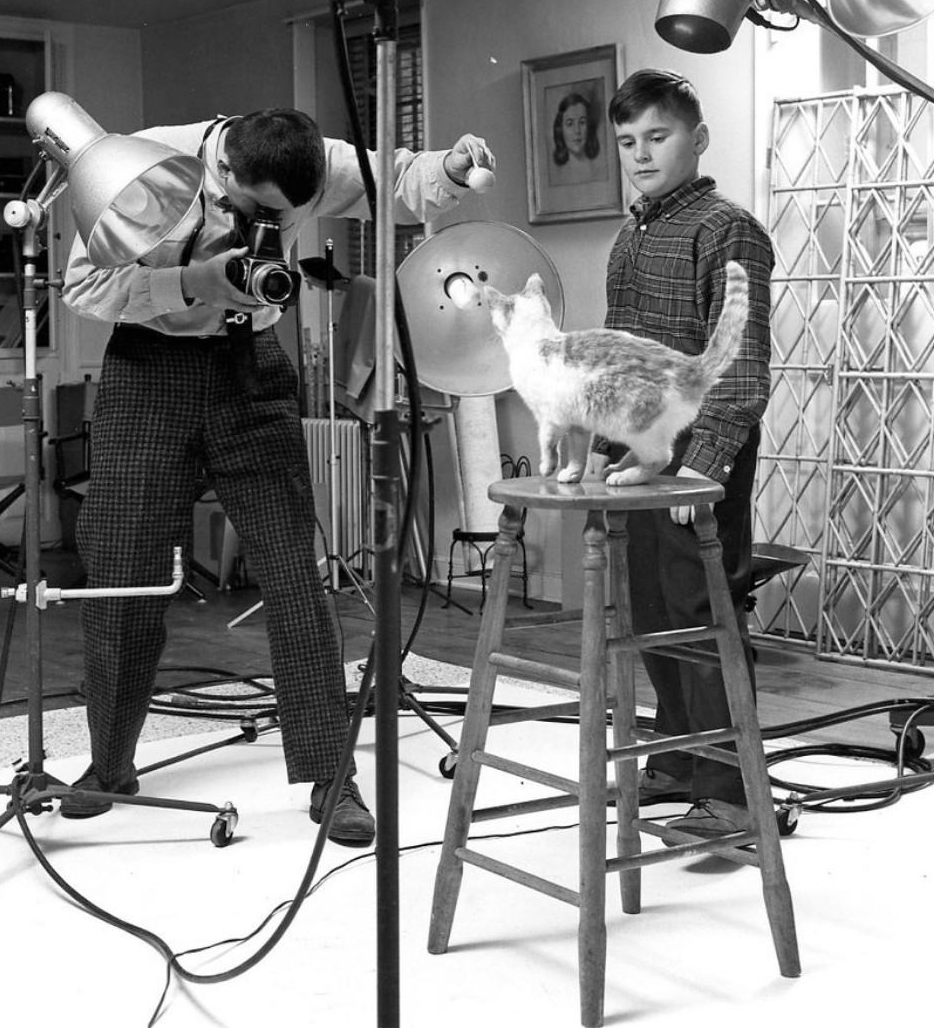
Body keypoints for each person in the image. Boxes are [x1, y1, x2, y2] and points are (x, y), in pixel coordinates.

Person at [60, 106, 494, 846]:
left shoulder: (314, 163)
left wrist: (447, 170)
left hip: (252, 370)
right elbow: (84, 287)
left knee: (295, 570)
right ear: (222, 170)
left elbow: (393, 177)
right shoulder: (142, 165)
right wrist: (190, 283)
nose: (268, 229)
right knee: (122, 569)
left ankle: (332, 774)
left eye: (284, 219)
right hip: (147, 365)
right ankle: (109, 762)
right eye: (255, 212)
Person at [589, 69, 773, 837]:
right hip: (637, 453)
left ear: (697, 139)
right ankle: (675, 753)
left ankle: (730, 793)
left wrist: (706, 465)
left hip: (697, 455)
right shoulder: (630, 235)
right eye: (627, 141)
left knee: (701, 609)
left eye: (656, 137)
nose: (640, 153)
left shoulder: (726, 229)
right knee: (651, 606)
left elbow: (740, 361)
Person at [548, 89, 602, 186]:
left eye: (582, 122)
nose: (577, 131)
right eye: (570, 124)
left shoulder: (599, 170)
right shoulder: (557, 177)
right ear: (560, 129)